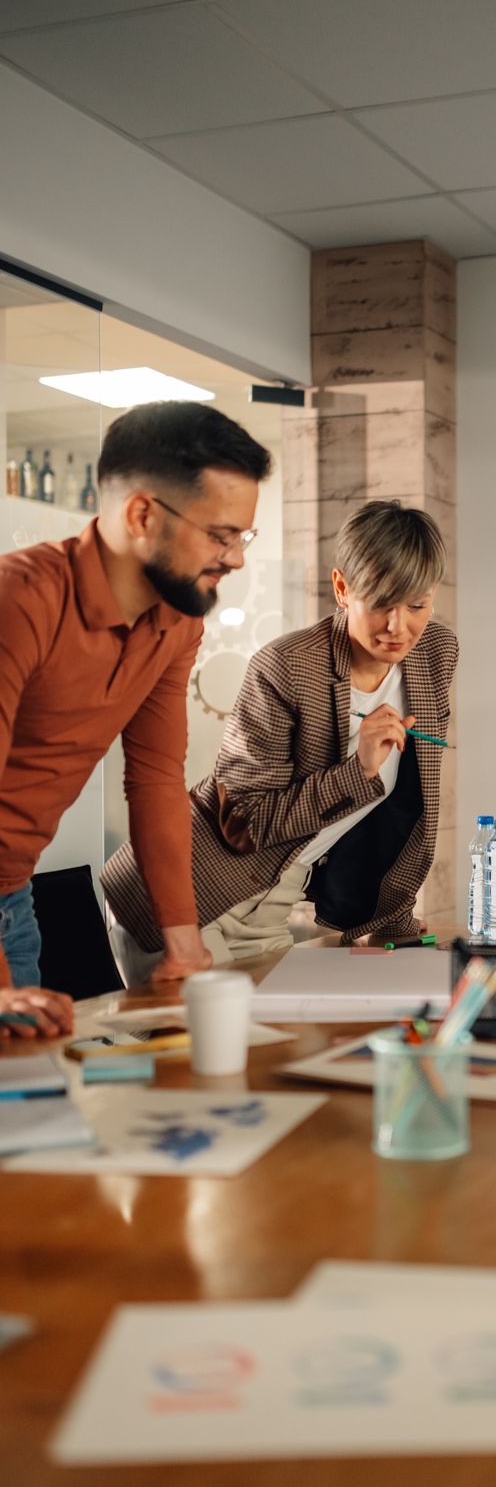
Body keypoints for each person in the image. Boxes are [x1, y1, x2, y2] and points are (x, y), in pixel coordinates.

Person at [0, 401, 270, 1039]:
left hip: (14, 896)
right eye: (220, 534)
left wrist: (183, 941)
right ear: (143, 514)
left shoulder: (177, 620)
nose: (236, 559)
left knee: (26, 1115)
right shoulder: (20, 601)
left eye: (243, 537)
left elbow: (152, 777)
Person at [103, 501, 457, 978]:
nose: (399, 626)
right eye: (380, 603)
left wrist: (393, 919)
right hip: (188, 890)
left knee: (270, 1045)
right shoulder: (286, 667)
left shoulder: (434, 653)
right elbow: (242, 819)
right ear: (342, 588)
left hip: (276, 898)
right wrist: (358, 772)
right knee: (203, 1049)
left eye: (417, 605)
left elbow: (409, 805)